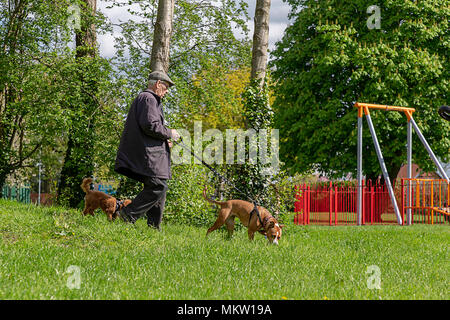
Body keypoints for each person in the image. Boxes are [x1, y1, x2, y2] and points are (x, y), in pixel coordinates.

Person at [115, 70, 180, 230]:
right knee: (158, 186)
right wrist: (169, 133)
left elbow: (148, 127)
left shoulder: (148, 99)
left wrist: (165, 141)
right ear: (158, 84)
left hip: (151, 153)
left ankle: (153, 228)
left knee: (159, 187)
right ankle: (127, 214)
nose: (166, 92)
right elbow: (150, 125)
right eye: (165, 88)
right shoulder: (148, 98)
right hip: (147, 155)